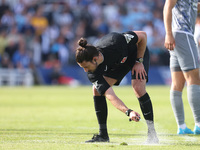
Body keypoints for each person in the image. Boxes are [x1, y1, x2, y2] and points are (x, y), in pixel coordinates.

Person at [75, 31, 159, 144]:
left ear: (95, 59)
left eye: (86, 66)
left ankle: (152, 134)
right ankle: (103, 135)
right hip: (118, 65)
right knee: (97, 90)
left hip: (136, 55)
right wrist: (128, 112)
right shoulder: (92, 73)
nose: (85, 70)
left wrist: (139, 61)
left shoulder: (115, 41)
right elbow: (110, 95)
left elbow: (143, 36)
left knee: (138, 88)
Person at [163, 0, 200, 135]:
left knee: (177, 83)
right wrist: (168, 33)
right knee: (194, 79)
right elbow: (168, 6)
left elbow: (193, 8)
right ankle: (199, 124)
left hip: (177, 35)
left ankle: (182, 127)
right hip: (183, 34)